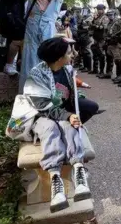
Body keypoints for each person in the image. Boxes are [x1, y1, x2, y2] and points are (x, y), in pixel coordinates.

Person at [23, 37, 92, 212]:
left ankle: (78, 170)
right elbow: (43, 108)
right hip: (40, 116)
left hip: (61, 112)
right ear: (59, 58)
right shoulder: (36, 76)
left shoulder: (66, 69)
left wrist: (73, 112)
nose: (72, 55)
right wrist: (67, 115)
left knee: (70, 126)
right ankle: (55, 179)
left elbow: (72, 91)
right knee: (51, 129)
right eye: (69, 53)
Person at [91, 4, 109, 76]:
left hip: (102, 38)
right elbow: (92, 24)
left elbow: (103, 27)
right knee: (95, 53)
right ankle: (95, 69)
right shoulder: (97, 17)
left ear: (103, 9)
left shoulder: (105, 17)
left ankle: (101, 71)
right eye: (97, 9)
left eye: (99, 9)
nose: (98, 10)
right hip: (96, 37)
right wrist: (93, 21)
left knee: (101, 54)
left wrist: (95, 26)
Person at [100, 8, 117, 79]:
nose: (110, 16)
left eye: (111, 15)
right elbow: (105, 32)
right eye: (109, 15)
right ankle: (108, 72)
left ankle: (119, 76)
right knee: (108, 58)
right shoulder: (108, 22)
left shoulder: (116, 22)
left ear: (114, 15)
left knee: (118, 60)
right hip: (108, 43)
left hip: (115, 43)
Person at [76, 6, 93, 72]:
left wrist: (80, 30)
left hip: (86, 37)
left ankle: (88, 67)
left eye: (85, 10)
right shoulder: (83, 17)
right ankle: (85, 66)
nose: (83, 12)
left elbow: (87, 28)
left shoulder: (89, 17)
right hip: (81, 37)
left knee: (87, 52)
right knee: (83, 52)